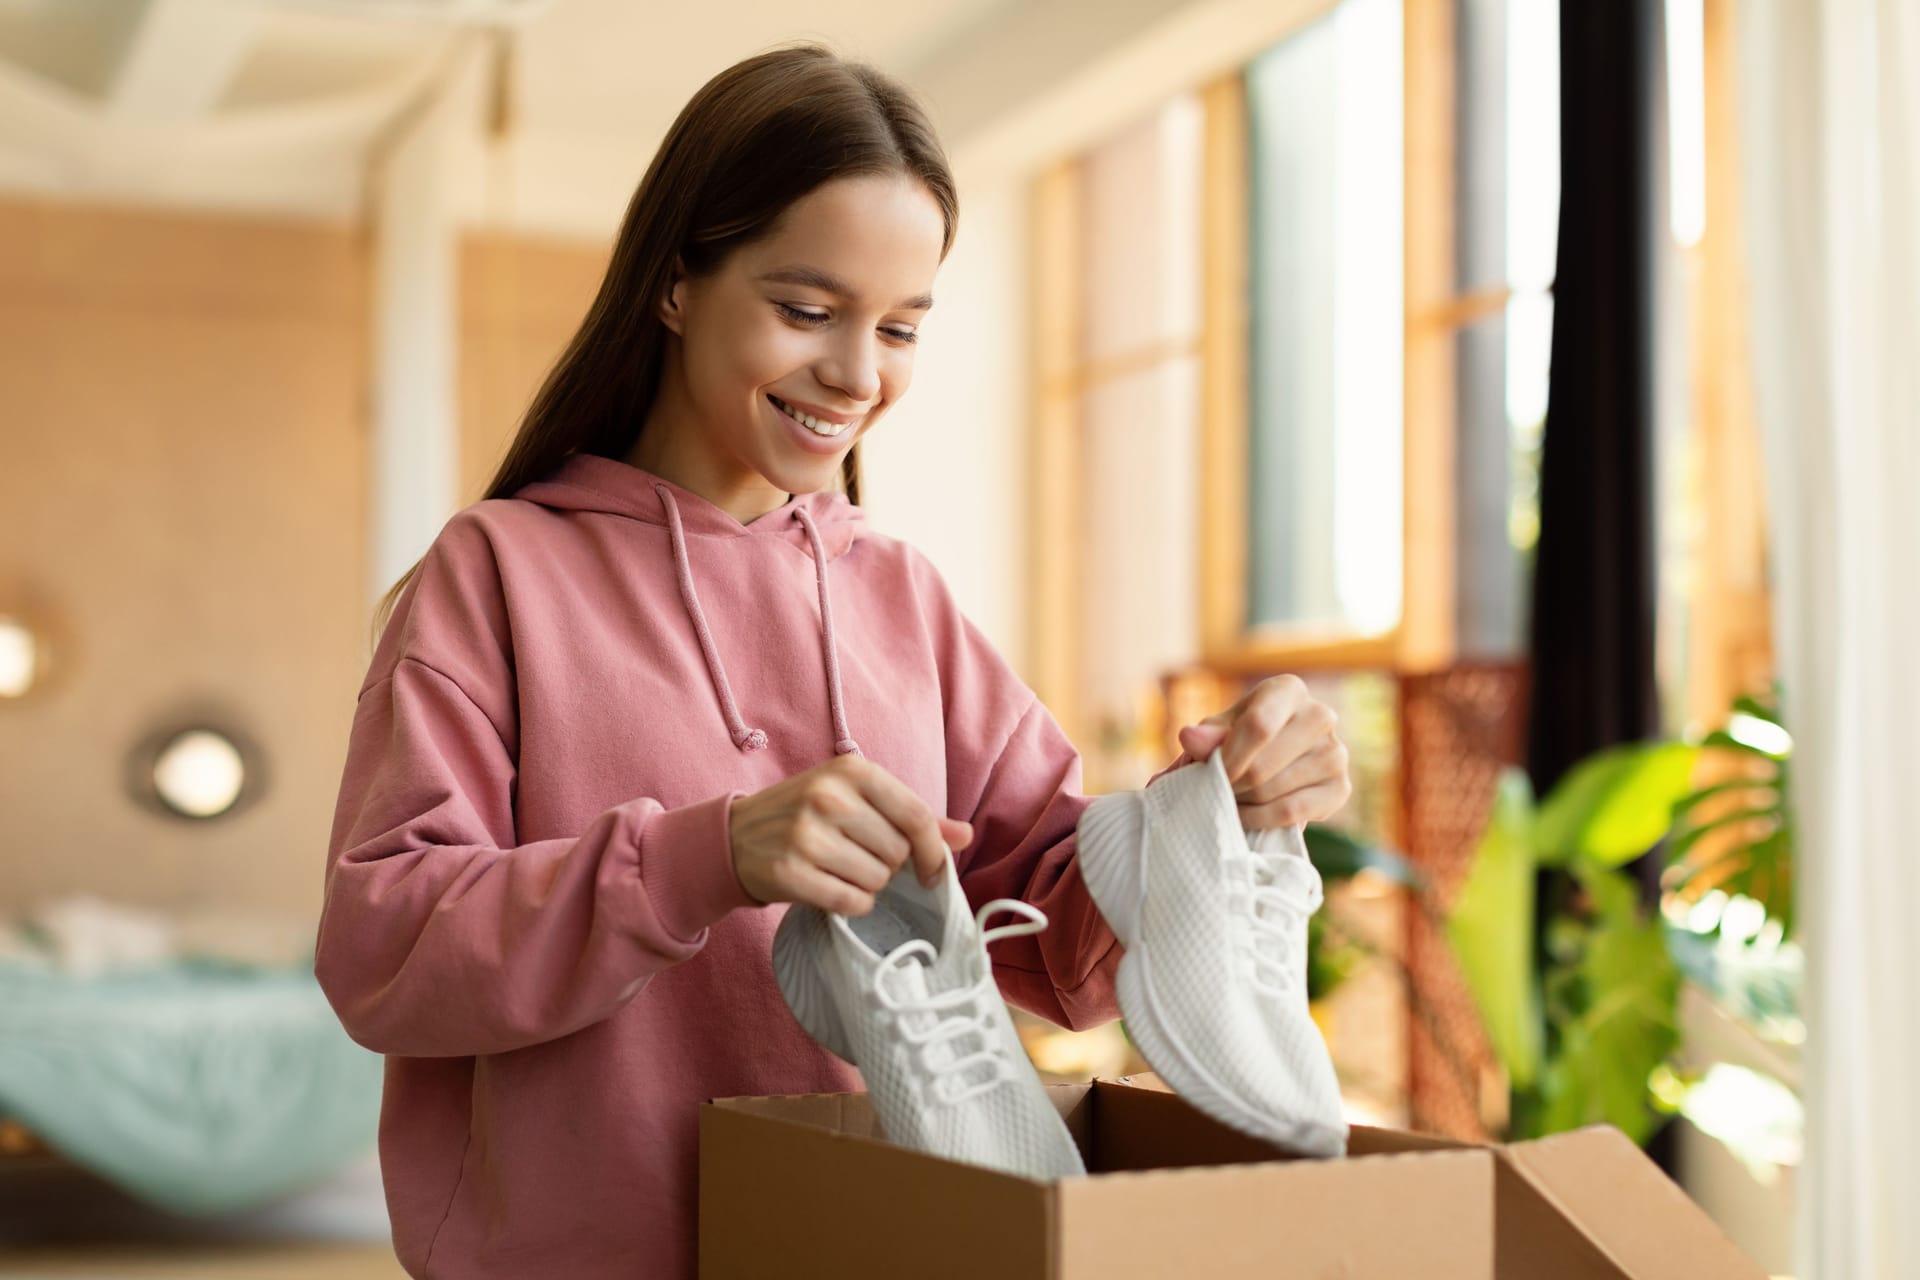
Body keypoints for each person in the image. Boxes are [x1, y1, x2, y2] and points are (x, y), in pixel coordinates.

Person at [316, 41, 1352, 1279]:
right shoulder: (494, 574)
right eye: (807, 310)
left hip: (875, 1243)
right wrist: (705, 854)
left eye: (900, 327)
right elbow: (383, 955)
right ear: (674, 283)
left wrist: (1214, 819)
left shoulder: (900, 593)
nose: (858, 374)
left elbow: (1054, 946)